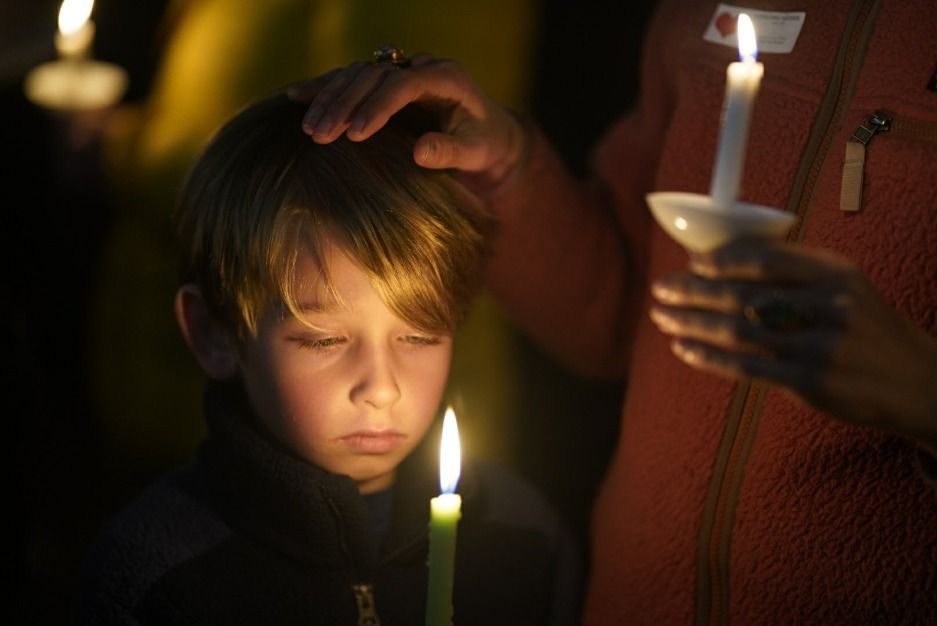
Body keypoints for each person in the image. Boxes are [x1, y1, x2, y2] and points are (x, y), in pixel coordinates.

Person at [292, 0, 937, 623]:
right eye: (321, 336)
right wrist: (506, 172)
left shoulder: (525, 544)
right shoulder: (692, 14)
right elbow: (622, 314)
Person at [77, 92, 581, 626]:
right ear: (215, 334)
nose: (381, 388)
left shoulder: (525, 540)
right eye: (324, 340)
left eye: (420, 336)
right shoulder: (155, 576)